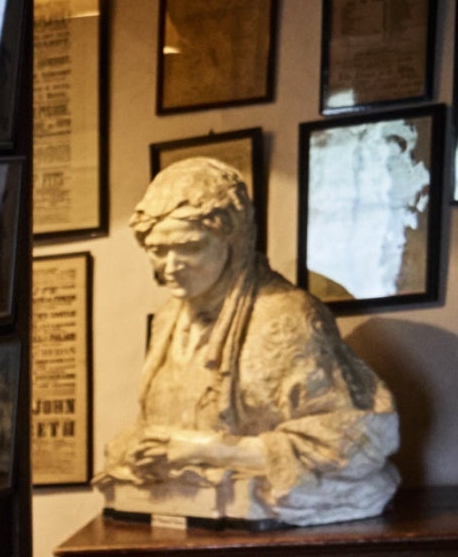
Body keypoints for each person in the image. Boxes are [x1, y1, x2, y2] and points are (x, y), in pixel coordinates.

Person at [97, 158, 399, 525]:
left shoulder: (286, 317)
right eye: (158, 250)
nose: (170, 265)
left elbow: (345, 443)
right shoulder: (168, 319)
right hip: (185, 515)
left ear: (233, 240)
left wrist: (204, 449)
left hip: (264, 516)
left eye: (189, 247)